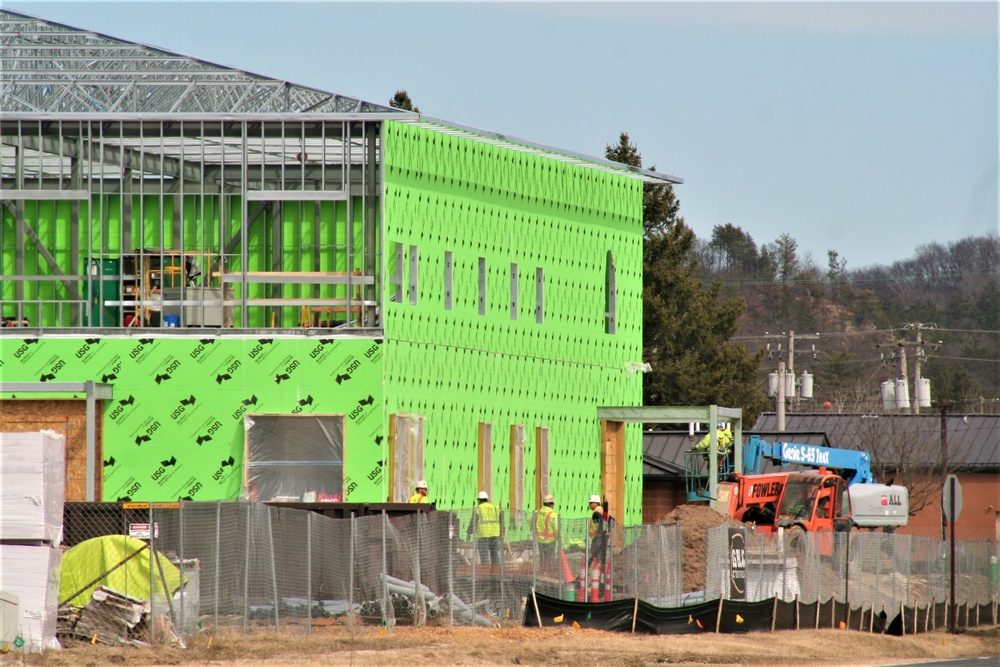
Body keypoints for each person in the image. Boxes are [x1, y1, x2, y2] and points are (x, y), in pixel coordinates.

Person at [467, 490, 501, 565]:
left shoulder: (478, 509)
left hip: (483, 535)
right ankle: (496, 572)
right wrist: (502, 531)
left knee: (484, 556)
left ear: (479, 500)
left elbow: (473, 521)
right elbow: (501, 519)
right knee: (495, 554)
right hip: (495, 534)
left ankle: (486, 573)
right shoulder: (495, 508)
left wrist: (469, 532)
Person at [534, 494, 559, 574]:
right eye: (553, 504)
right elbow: (556, 529)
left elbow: (530, 520)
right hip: (550, 540)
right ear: (550, 504)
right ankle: (549, 574)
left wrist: (535, 528)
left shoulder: (537, 512)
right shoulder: (552, 514)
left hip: (539, 539)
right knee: (550, 559)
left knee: (542, 558)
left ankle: (543, 572)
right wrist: (559, 538)